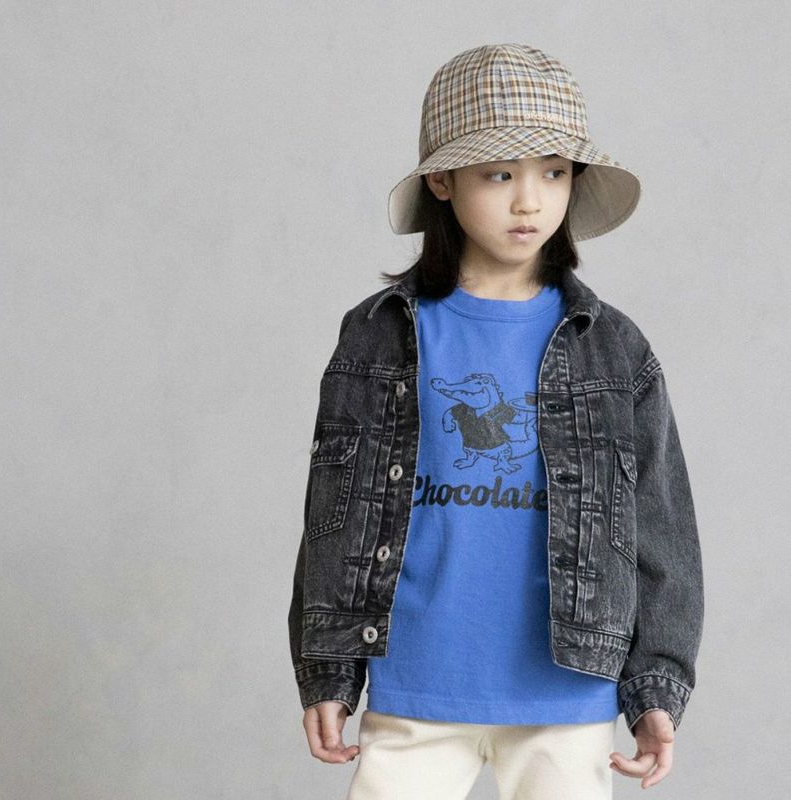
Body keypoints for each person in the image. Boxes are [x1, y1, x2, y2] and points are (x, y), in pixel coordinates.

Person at [288, 43, 704, 799]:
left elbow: (661, 529)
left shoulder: (615, 350)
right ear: (441, 180)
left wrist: (655, 688)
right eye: (499, 174)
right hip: (416, 683)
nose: (529, 201)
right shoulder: (379, 334)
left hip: (566, 696)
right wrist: (329, 668)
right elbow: (334, 515)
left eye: (554, 172)